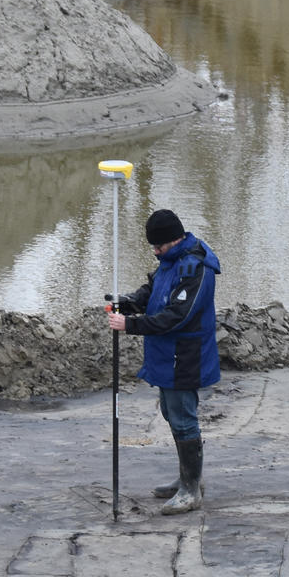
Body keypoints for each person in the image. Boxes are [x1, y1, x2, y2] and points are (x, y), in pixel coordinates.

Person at [107, 208, 221, 515]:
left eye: (159, 246)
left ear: (176, 239)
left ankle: (191, 489)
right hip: (168, 354)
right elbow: (153, 290)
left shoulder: (196, 268)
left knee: (183, 417)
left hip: (185, 356)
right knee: (173, 414)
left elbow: (177, 316)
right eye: (153, 247)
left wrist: (130, 325)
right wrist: (129, 301)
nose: (155, 252)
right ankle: (187, 479)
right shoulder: (171, 261)